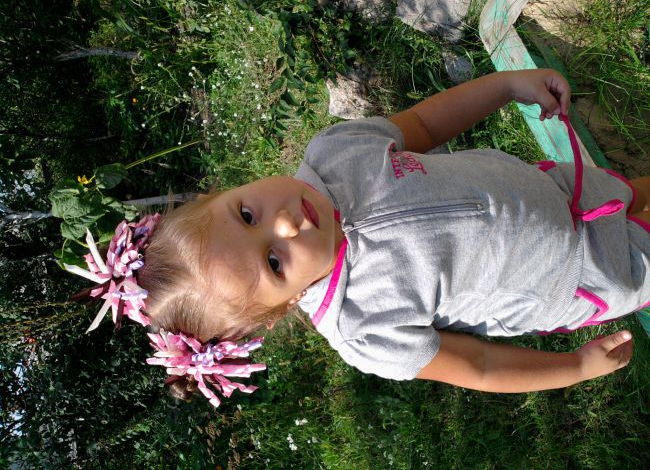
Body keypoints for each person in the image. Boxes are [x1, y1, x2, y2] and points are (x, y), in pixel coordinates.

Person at [70, 69, 650, 404]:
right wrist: (574, 369)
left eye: (246, 213)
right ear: (282, 306)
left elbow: (422, 124)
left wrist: (506, 86)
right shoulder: (363, 329)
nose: (285, 223)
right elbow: (477, 365)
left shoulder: (335, 154)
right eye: (275, 263)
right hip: (583, 276)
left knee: (636, 192)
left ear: (224, 190)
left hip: (562, 188)